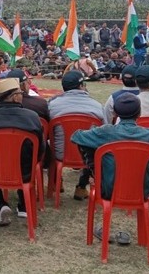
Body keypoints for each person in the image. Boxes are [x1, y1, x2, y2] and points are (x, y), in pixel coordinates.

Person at [71, 93, 149, 241]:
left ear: (115, 113)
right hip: (143, 190)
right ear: (140, 113)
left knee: (92, 150)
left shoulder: (104, 132)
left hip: (108, 189)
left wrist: (92, 163)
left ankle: (94, 172)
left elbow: (76, 136)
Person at [0, 78, 44, 224]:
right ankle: (23, 204)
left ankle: (0, 202)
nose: (22, 95)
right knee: (26, 158)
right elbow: (41, 150)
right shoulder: (32, 118)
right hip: (25, 172)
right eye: (20, 93)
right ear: (14, 96)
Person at [48, 71, 105, 200]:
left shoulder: (52, 105)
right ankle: (81, 186)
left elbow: (46, 132)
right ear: (81, 86)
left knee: (48, 142)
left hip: (60, 154)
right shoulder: (97, 106)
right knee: (94, 147)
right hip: (87, 157)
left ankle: (57, 181)